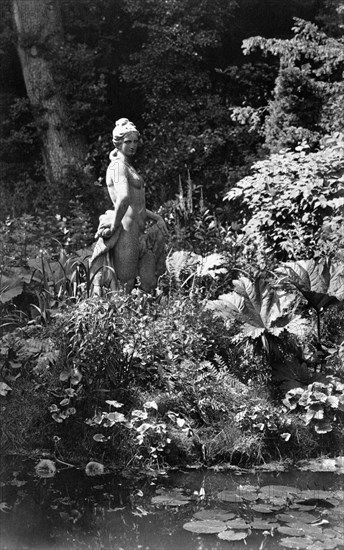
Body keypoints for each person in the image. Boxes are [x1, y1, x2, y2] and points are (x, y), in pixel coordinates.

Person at [91, 118, 168, 294]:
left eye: (135, 141)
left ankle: (145, 319)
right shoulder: (117, 167)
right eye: (127, 142)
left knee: (148, 283)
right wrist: (114, 225)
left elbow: (135, 205)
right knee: (124, 286)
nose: (133, 145)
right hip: (126, 231)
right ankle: (118, 320)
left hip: (139, 232)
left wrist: (156, 218)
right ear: (118, 143)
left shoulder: (128, 166)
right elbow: (124, 198)